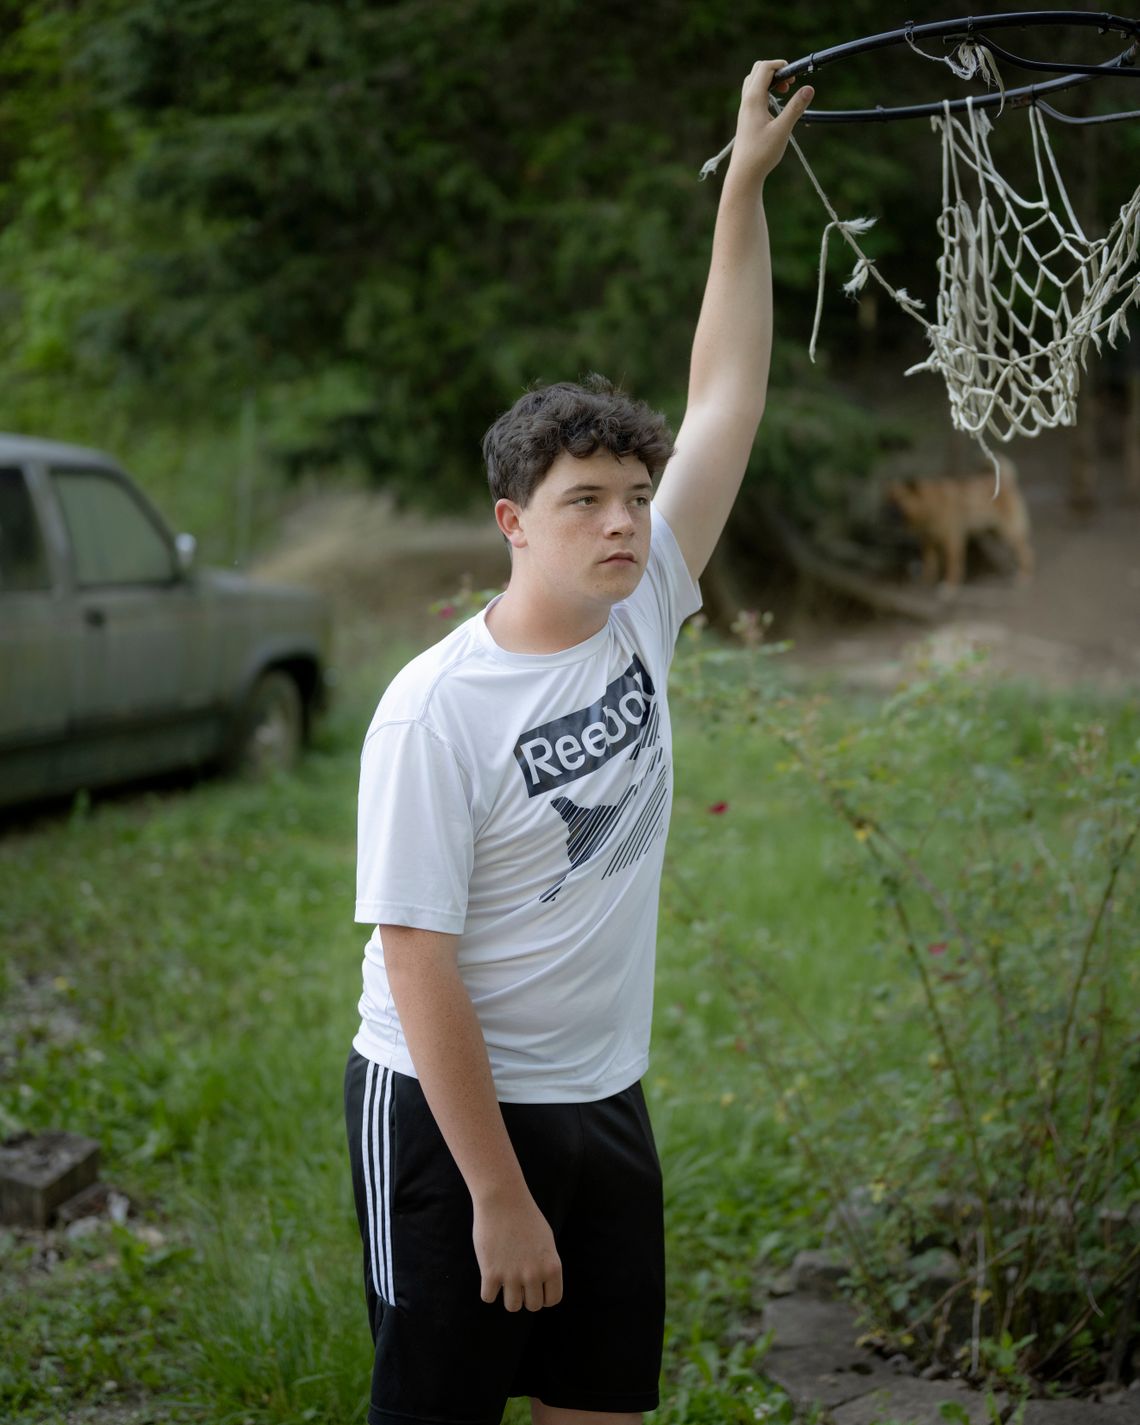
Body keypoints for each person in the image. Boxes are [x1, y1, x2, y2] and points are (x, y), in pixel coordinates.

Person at [344, 58, 814, 1425]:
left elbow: (727, 389)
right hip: (445, 1120)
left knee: (602, 1408)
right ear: (512, 521)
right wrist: (496, 1194)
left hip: (604, 1099)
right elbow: (413, 954)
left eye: (635, 496)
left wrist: (742, 187)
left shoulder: (645, 602)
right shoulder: (436, 708)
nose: (623, 522)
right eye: (586, 500)